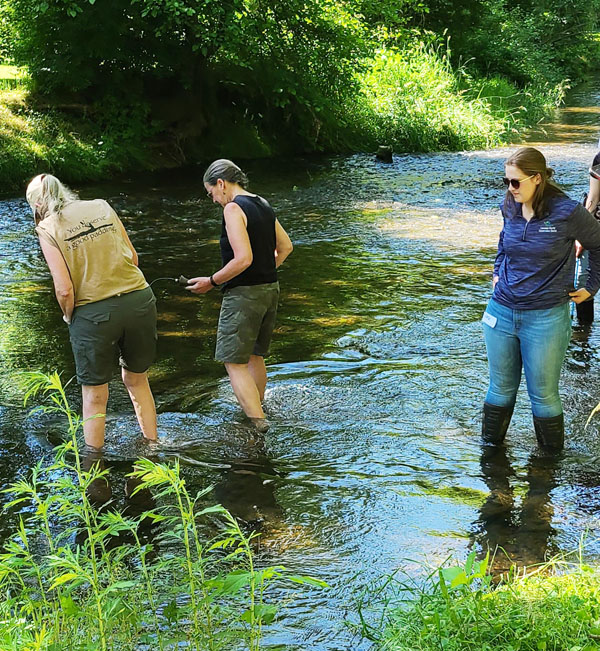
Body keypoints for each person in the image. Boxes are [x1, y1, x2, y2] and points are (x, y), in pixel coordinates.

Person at [27, 174, 158, 449]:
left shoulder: (47, 228)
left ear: (38, 205)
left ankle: (93, 468)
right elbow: (133, 258)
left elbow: (64, 289)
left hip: (93, 314)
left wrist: (68, 316)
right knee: (137, 380)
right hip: (139, 299)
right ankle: (153, 446)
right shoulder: (101, 205)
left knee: (95, 395)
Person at [482, 147, 600, 450]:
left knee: (543, 394)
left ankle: (547, 471)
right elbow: (503, 242)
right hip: (501, 312)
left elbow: (599, 246)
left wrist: (591, 287)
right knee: (499, 390)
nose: (510, 188)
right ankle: (491, 465)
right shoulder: (509, 204)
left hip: (546, 318)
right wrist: (497, 272)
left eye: (516, 182)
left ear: (537, 178)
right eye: (507, 181)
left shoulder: (568, 212)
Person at [187, 160, 293, 432]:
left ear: (221, 184)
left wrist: (211, 281)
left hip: (244, 295)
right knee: (255, 355)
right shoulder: (262, 203)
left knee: (232, 360)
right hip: (270, 289)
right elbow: (286, 247)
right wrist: (266, 270)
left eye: (211, 193)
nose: (213, 200)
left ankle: (258, 423)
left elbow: (243, 259)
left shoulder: (233, 208)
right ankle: (257, 407)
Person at [574, 144, 600, 323]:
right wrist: (579, 234)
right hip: (596, 228)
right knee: (582, 283)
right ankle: (583, 335)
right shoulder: (599, 159)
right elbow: (593, 199)